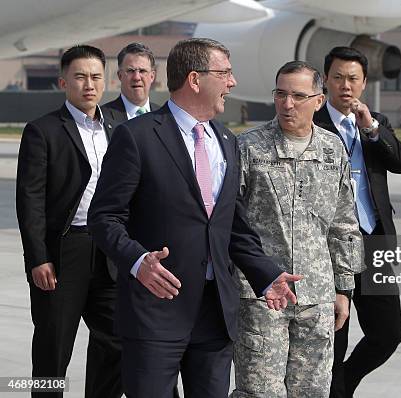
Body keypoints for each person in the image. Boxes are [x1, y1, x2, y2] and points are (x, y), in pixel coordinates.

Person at [87, 38, 300, 398]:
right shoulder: (136, 137)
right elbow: (104, 217)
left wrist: (266, 275)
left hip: (214, 316)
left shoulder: (227, 141)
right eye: (225, 73)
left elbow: (231, 225)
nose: (232, 83)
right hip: (155, 311)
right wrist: (138, 262)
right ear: (195, 80)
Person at [231, 60, 362, 398]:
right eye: (281, 95)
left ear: (319, 100)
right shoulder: (249, 147)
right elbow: (230, 221)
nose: (288, 104)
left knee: (313, 391)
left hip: (316, 295)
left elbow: (344, 224)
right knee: (259, 392)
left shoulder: (333, 149)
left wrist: (344, 290)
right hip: (261, 295)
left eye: (298, 96)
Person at [15, 45, 122, 398]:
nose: (88, 84)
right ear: (64, 82)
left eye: (95, 77)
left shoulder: (117, 128)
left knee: (118, 343)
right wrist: (38, 258)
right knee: (53, 349)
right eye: (80, 77)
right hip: (64, 252)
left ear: (105, 81)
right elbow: (30, 201)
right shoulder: (42, 130)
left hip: (108, 252)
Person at [313, 46, 401, 398]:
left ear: (364, 83)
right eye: (337, 77)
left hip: (374, 242)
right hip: (329, 248)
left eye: (353, 78)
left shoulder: (375, 123)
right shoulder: (313, 122)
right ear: (325, 80)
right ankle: (335, 387)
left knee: (388, 334)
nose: (345, 86)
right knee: (333, 340)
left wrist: (370, 127)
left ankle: (343, 383)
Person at [103, 42, 159, 122]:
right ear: (120, 75)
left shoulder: (165, 117)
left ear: (152, 76)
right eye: (130, 71)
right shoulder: (103, 117)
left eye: (142, 71)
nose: (136, 77)